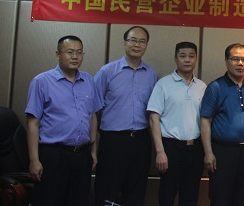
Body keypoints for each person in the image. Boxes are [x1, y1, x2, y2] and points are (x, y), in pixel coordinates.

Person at [25, 35, 102, 206]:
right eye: (70, 52)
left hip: (82, 155)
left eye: (79, 52)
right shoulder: (42, 81)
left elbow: (92, 116)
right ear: (57, 54)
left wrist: (93, 151)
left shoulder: (88, 80)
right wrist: (34, 160)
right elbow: (32, 123)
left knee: (78, 200)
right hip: (53, 155)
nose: (75, 56)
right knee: (49, 200)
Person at [94, 25, 158, 206]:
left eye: (142, 41)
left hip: (141, 140)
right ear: (124, 43)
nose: (137, 45)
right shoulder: (107, 72)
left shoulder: (152, 74)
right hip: (113, 140)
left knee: (136, 192)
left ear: (146, 45)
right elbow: (94, 108)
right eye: (133, 40)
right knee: (107, 190)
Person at [200, 43, 244, 206]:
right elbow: (205, 120)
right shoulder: (215, 87)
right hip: (222, 152)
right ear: (226, 61)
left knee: (243, 198)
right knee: (220, 198)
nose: (240, 63)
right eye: (235, 59)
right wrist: (208, 152)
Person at [147, 41, 207, 206]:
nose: (187, 60)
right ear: (175, 58)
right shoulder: (163, 84)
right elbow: (153, 119)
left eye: (191, 56)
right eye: (182, 56)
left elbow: (206, 121)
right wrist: (160, 151)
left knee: (190, 197)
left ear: (196, 59)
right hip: (171, 148)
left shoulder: (202, 86)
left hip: (195, 149)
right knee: (167, 196)